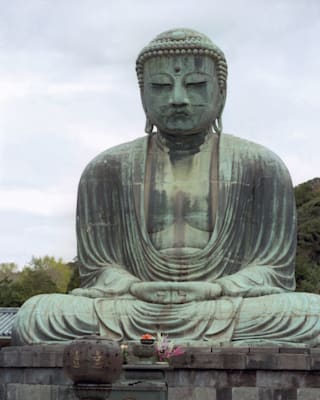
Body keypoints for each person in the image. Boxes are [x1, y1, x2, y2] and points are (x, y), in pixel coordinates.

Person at [12, 29, 320, 346]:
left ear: (222, 92)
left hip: (224, 304)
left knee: (312, 316)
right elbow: (100, 269)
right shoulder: (105, 170)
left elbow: (272, 270)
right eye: (160, 86)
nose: (177, 98)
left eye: (196, 85)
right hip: (134, 305)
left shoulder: (261, 166)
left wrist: (218, 288)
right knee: (38, 315)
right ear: (142, 95)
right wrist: (134, 286)